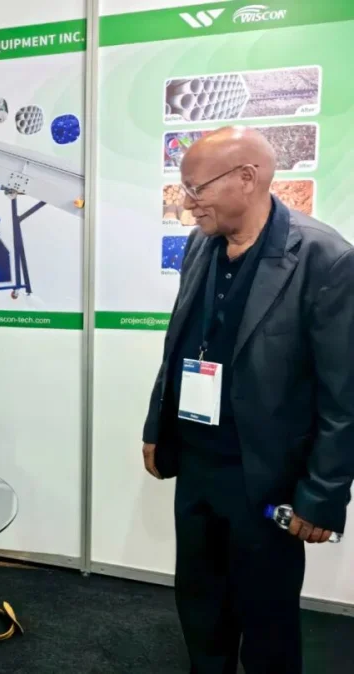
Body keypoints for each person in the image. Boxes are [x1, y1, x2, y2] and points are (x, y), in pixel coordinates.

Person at [141, 127, 354, 674]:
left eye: (196, 188)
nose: (187, 201)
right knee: (200, 607)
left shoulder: (325, 258)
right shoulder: (201, 244)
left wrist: (323, 495)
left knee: (267, 620)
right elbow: (179, 345)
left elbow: (343, 395)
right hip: (197, 467)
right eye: (183, 188)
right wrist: (155, 427)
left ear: (247, 178)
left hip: (267, 478)